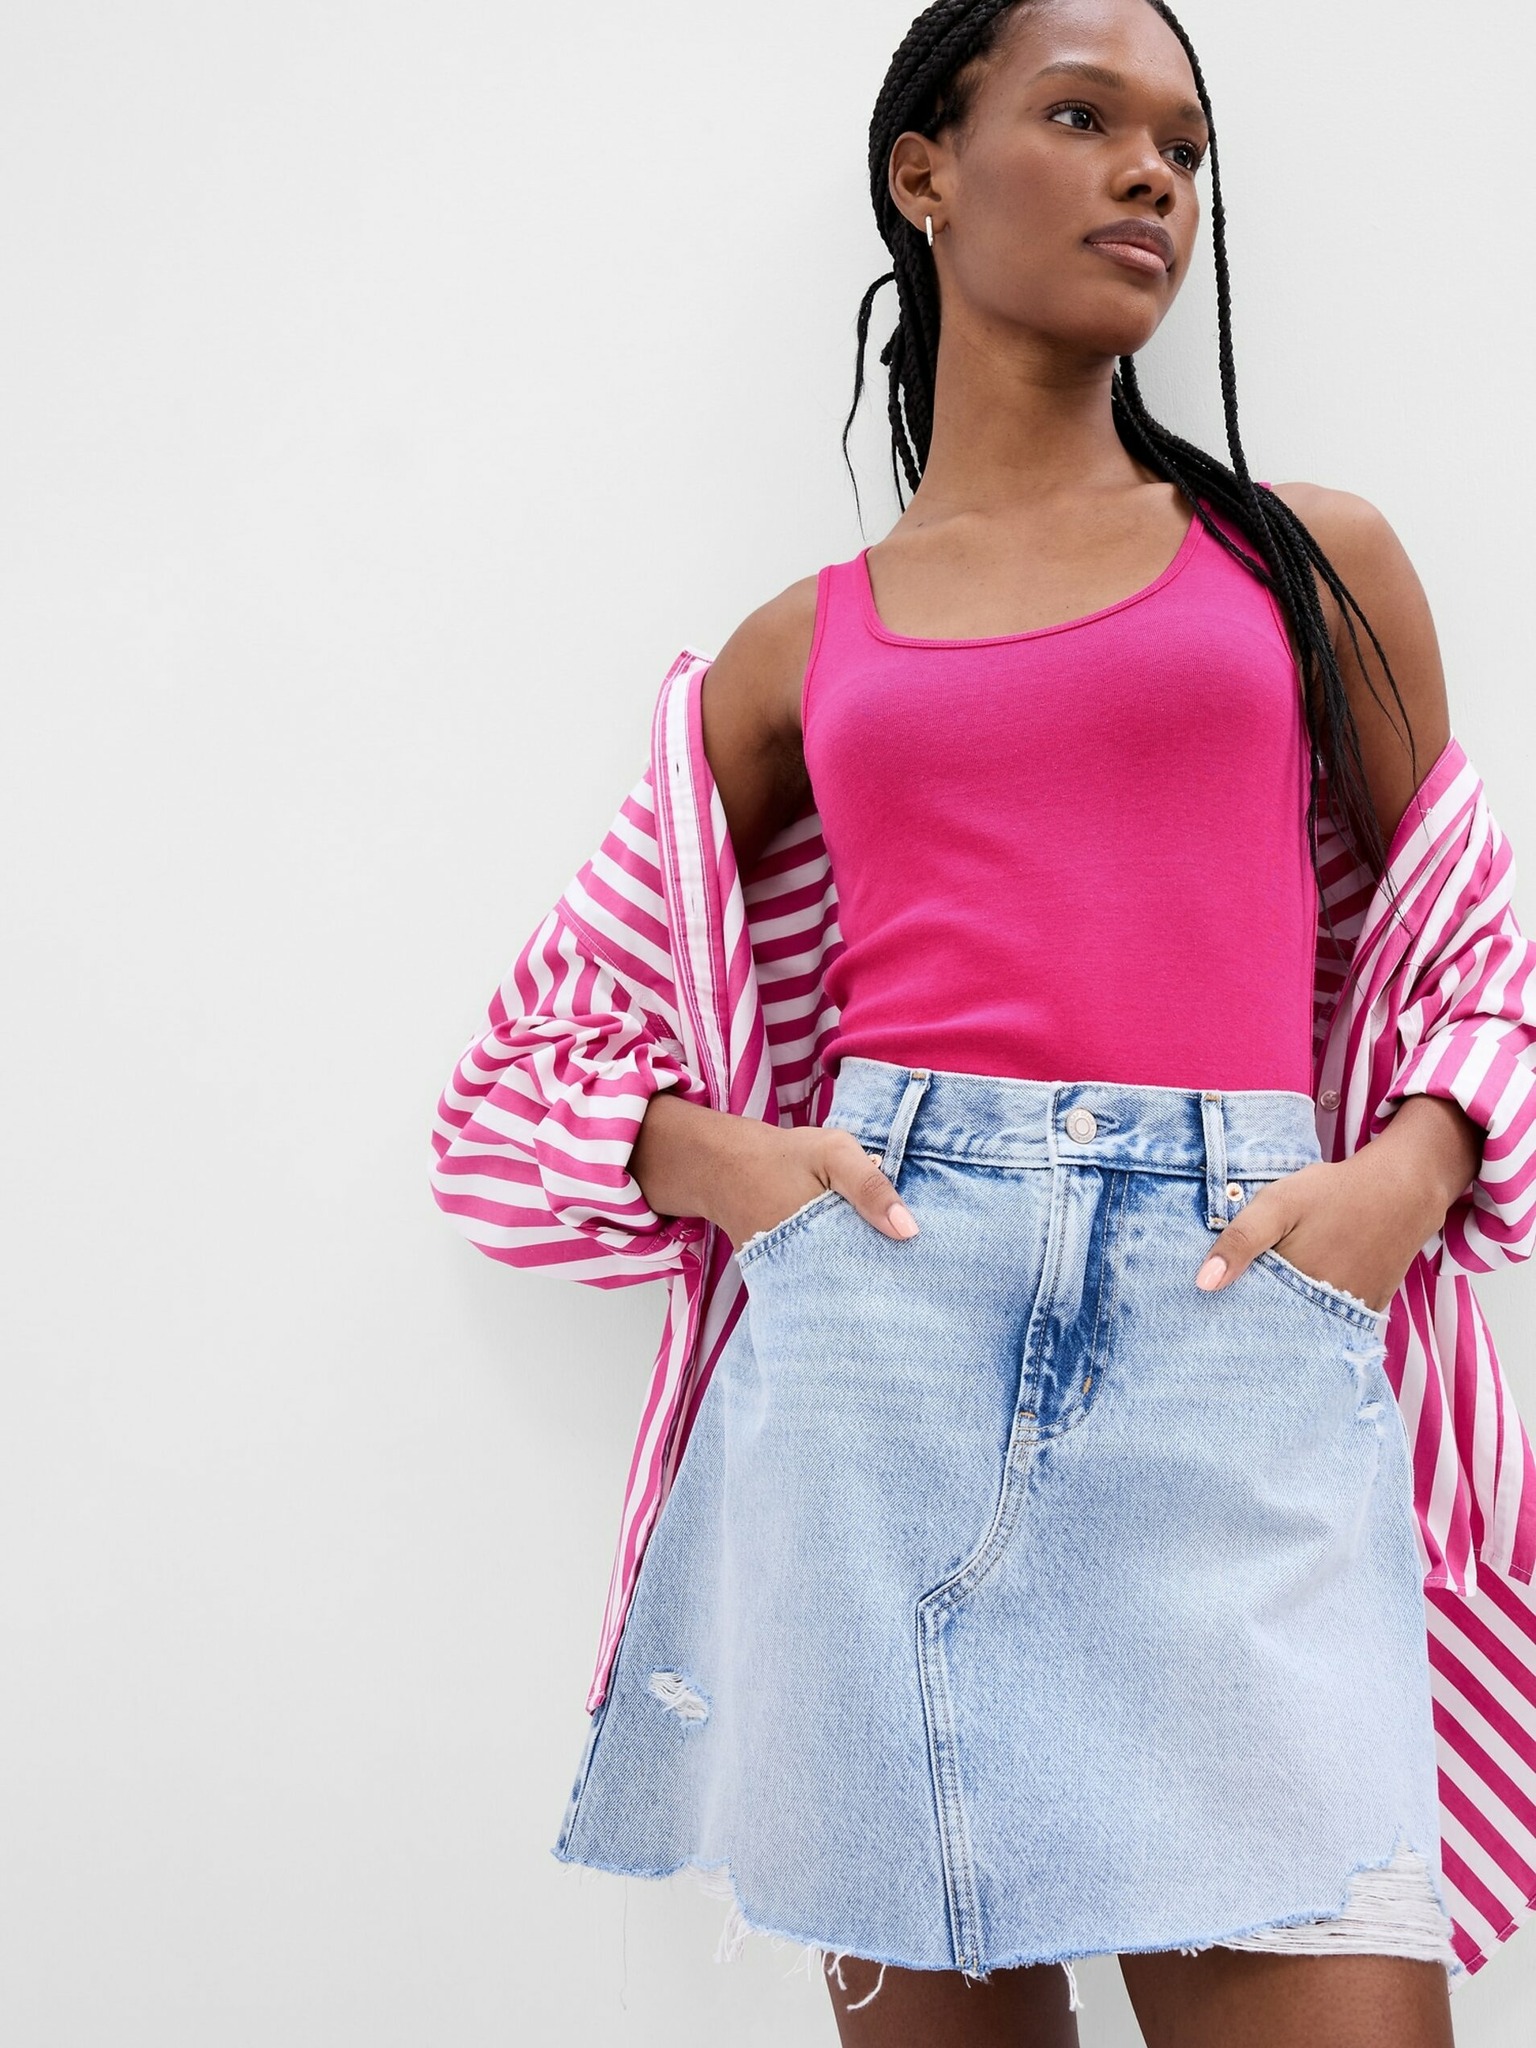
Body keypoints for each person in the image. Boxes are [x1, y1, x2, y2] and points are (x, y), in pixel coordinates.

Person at [431, 3, 1536, 2043]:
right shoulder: (801, 648)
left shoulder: (1312, 563)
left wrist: (1407, 1170)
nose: (1152, 176)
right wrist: (736, 1166)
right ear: (922, 172)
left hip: (1233, 1341)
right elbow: (522, 1077)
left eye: (1184, 146)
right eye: (1086, 115)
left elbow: (1471, 955)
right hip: (883, 1367)